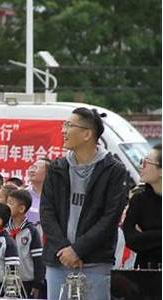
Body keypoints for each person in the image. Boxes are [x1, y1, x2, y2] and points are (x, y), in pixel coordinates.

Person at [40, 107, 129, 300]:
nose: (63, 130)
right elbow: (47, 212)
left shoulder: (113, 170)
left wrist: (77, 250)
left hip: (95, 262)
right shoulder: (57, 167)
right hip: (58, 260)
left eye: (69, 125)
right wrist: (64, 249)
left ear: (87, 134)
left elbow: (110, 218)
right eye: (64, 125)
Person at [123, 143, 162, 269]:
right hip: (145, 271)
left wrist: (146, 235)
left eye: (146, 163)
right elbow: (131, 239)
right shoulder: (138, 199)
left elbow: (139, 240)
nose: (141, 167)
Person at [6, 189, 45, 298]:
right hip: (5, 280)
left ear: (21, 208)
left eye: (11, 203)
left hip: (26, 281)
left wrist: (38, 283)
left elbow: (38, 259)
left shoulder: (31, 231)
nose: (7, 206)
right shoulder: (3, 228)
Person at [26, 158, 51, 224]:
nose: (31, 171)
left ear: (47, 173)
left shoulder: (55, 197)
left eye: (36, 168)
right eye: (32, 167)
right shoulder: (24, 194)